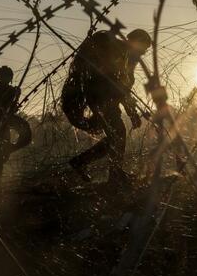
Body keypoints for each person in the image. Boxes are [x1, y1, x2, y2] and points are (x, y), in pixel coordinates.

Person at [62, 29, 151, 186]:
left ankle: (81, 162)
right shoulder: (117, 51)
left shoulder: (127, 58)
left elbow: (124, 90)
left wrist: (132, 113)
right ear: (135, 42)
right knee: (118, 133)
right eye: (143, 49)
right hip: (101, 98)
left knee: (115, 135)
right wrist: (131, 112)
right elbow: (116, 84)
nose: (143, 54)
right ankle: (114, 175)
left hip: (106, 100)